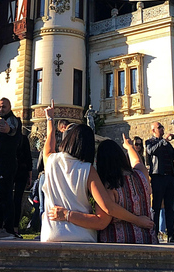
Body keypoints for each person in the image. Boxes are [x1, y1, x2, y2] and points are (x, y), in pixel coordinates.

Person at [42, 99, 153, 242]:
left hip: (52, 232)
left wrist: (50, 119)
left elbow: (49, 147)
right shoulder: (87, 169)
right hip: (82, 234)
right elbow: (107, 209)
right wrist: (129, 147)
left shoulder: (51, 161)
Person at [145, 121, 174, 243]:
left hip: (170, 178)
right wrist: (163, 141)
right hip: (158, 177)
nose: (162, 129)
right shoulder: (150, 142)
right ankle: (154, 234)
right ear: (153, 130)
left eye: (162, 127)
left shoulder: (166, 145)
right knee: (156, 207)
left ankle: (170, 235)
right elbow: (151, 151)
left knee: (169, 208)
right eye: (159, 127)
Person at [0, 98, 22, 239]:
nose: (0, 109)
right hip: (1, 164)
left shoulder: (12, 120)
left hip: (5, 164)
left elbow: (13, 130)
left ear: (10, 107)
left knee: (6, 196)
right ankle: (4, 228)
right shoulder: (6, 120)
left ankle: (8, 229)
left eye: (3, 107)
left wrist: (9, 130)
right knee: (4, 196)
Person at [13, 128, 33, 233]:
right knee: (17, 199)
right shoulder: (23, 138)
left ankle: (4, 226)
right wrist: (30, 175)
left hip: (11, 171)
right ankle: (15, 227)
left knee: (7, 199)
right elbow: (28, 157)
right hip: (21, 171)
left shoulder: (8, 138)